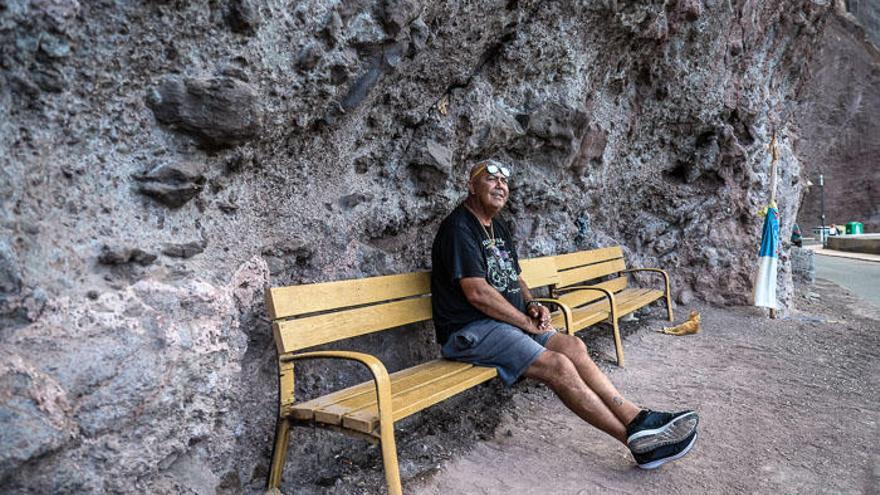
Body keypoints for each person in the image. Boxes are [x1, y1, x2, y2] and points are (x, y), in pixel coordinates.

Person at [430, 159, 699, 469]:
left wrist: (532, 305)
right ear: (472, 186)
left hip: (507, 324)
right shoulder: (459, 227)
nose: (500, 185)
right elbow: (477, 292)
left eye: (505, 181)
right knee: (557, 366)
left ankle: (637, 418)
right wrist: (524, 323)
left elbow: (515, 278)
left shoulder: (498, 227)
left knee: (573, 347)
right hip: (471, 330)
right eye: (491, 179)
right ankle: (637, 442)